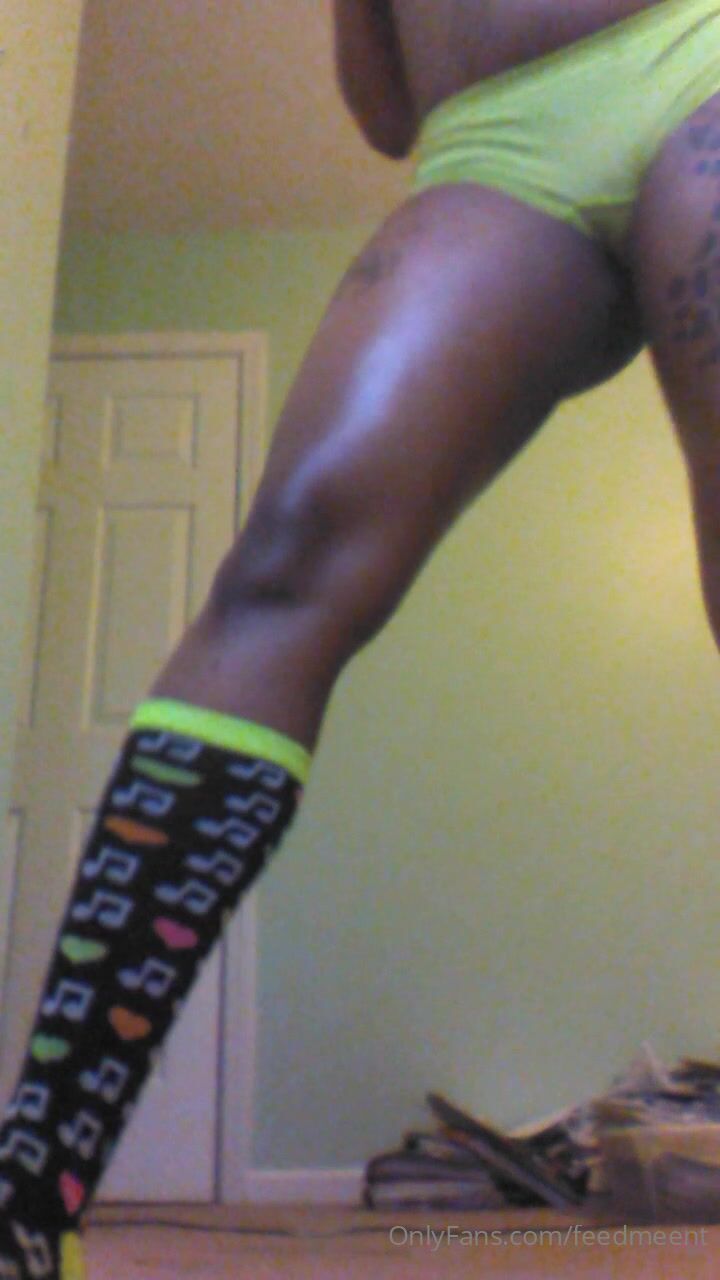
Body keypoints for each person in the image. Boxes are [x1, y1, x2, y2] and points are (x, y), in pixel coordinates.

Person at [3, 0, 720, 1274]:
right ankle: (28, 1190)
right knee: (284, 563)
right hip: (496, 145)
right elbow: (387, 115)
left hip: (694, 55)